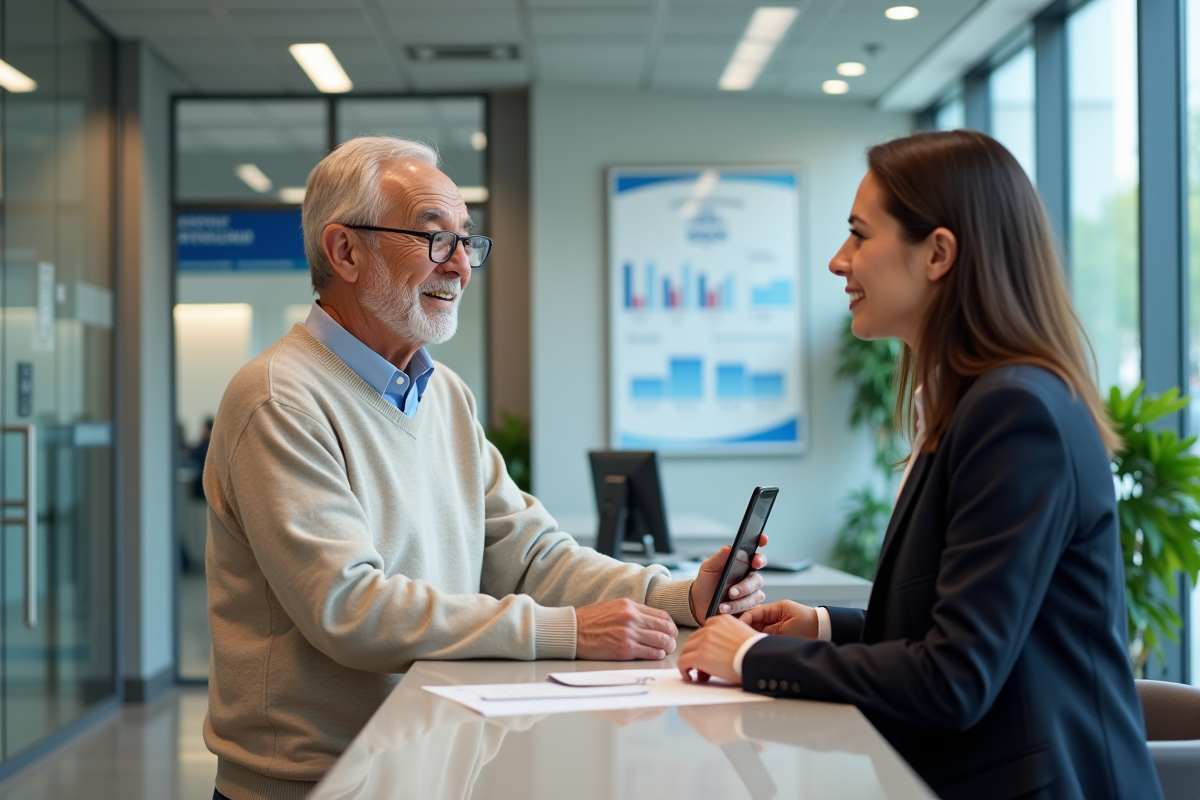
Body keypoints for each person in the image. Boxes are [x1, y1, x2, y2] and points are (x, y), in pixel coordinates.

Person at [202, 135, 767, 800]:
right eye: (435, 238)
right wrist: (566, 632)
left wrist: (674, 599)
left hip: (429, 763)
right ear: (344, 251)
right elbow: (347, 609)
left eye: (468, 241)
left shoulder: (444, 394)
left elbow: (530, 556)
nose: (462, 267)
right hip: (317, 783)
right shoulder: (278, 397)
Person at [677, 130, 1162, 800]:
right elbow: (955, 625)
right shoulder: (976, 402)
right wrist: (818, 626)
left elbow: (954, 680)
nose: (837, 262)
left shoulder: (1015, 413)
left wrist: (754, 657)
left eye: (857, 235)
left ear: (937, 253)